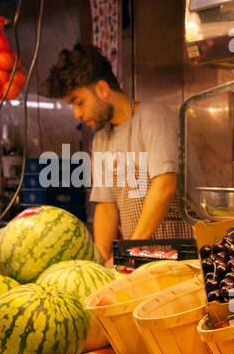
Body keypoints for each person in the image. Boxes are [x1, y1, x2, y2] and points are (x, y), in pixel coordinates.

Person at [43, 43, 186, 262]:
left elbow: (165, 186)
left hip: (180, 258)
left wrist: (128, 251)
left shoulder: (154, 117)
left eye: (79, 102)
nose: (76, 114)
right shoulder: (102, 138)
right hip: (138, 261)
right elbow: (106, 205)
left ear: (102, 89)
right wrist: (100, 265)